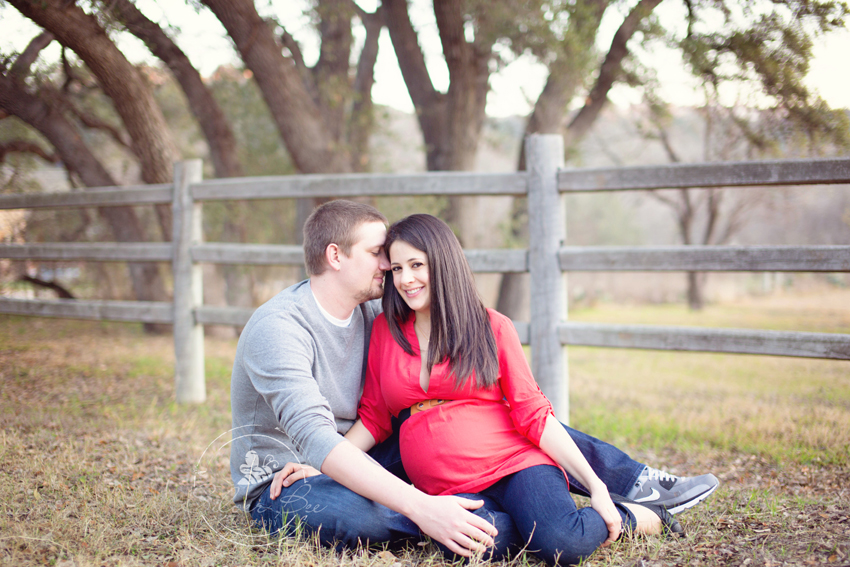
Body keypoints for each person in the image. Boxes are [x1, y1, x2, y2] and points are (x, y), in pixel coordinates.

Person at [232, 200, 717, 557]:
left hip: (368, 453)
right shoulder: (280, 328)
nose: (391, 269)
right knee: (369, 518)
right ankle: (495, 524)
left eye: (402, 262)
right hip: (293, 478)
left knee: (500, 412)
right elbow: (332, 432)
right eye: (382, 255)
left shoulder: (378, 308)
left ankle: (628, 482)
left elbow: (521, 406)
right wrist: (417, 504)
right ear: (336, 256)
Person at [342, 213, 681, 564]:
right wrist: (324, 461)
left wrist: (597, 487)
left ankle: (634, 517)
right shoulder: (387, 330)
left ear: (443, 264)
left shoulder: (492, 327)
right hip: (450, 490)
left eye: (416, 265)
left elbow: (534, 414)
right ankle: (546, 525)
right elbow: (375, 417)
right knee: (464, 546)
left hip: (517, 465)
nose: (406, 279)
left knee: (561, 544)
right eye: (396, 268)